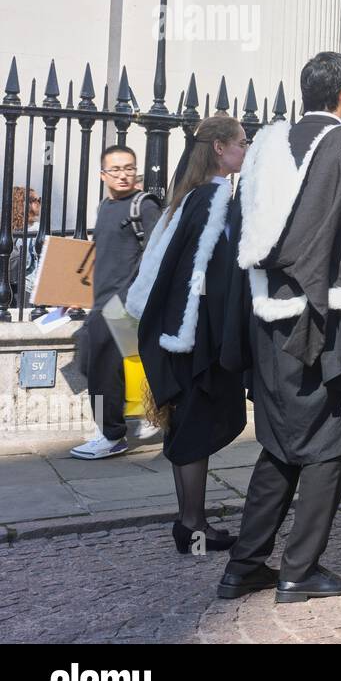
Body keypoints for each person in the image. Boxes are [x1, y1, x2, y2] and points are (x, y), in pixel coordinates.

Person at [218, 52, 341, 603]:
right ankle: (300, 568)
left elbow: (241, 233)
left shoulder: (265, 150)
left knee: (278, 444)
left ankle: (243, 565)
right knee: (329, 442)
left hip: (266, 318)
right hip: (331, 323)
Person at [126, 115, 250, 554]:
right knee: (195, 428)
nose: (245, 149)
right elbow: (206, 276)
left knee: (185, 428)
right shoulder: (213, 199)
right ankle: (193, 526)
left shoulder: (190, 196)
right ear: (218, 148)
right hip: (197, 336)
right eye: (240, 142)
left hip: (182, 333)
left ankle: (189, 523)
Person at [70, 146, 163, 459]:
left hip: (122, 302)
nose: (123, 174)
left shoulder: (144, 205)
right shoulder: (105, 207)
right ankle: (148, 411)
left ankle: (110, 435)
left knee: (103, 370)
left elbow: (156, 256)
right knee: (98, 364)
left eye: (129, 168)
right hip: (101, 301)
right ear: (103, 175)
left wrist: (131, 299)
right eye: (116, 169)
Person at [8, 187, 41, 305]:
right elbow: (28, 262)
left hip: (12, 285)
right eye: (35, 200)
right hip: (30, 287)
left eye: (39, 200)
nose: (38, 203)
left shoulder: (9, 228)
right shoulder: (36, 229)